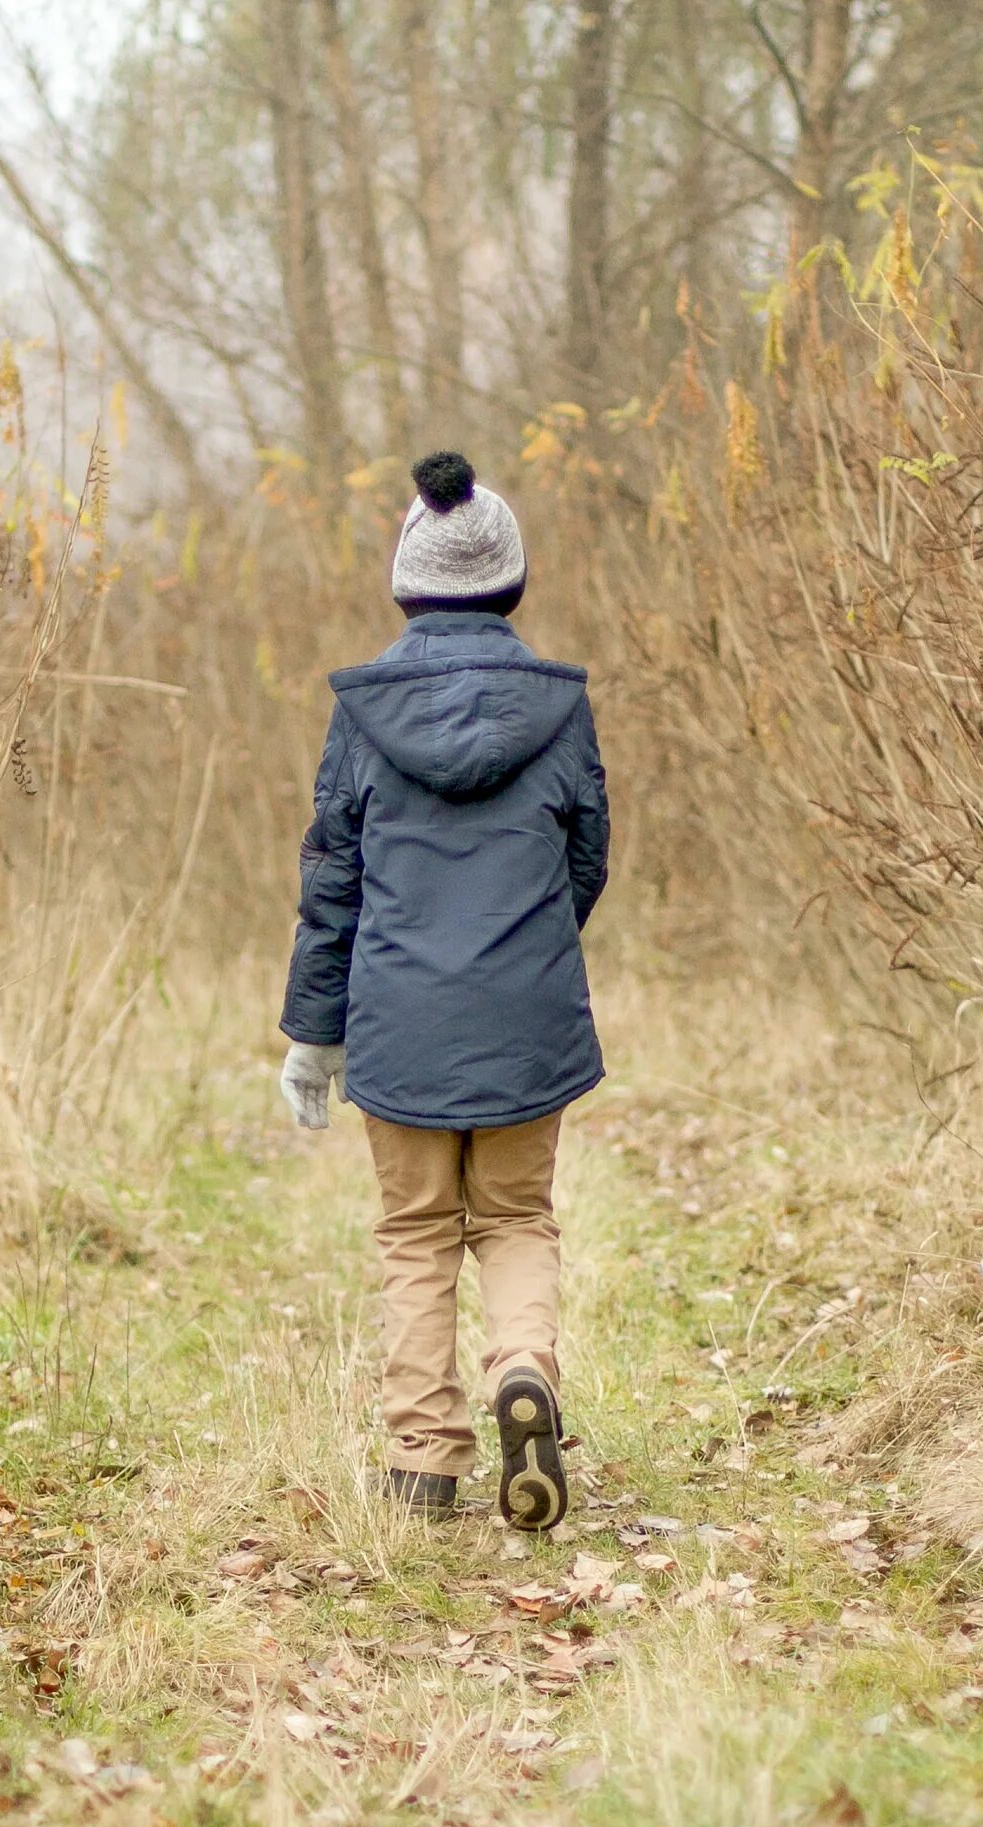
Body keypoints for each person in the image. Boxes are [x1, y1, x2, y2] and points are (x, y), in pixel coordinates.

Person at [277, 451, 611, 1531]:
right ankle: (527, 1371)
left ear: (406, 584)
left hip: (399, 1016)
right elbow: (587, 858)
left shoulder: (364, 718)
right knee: (515, 1214)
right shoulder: (559, 710)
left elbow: (333, 881)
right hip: (526, 1018)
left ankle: (424, 1459)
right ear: (510, 582)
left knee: (417, 1230)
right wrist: (528, 954)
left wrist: (312, 1034)